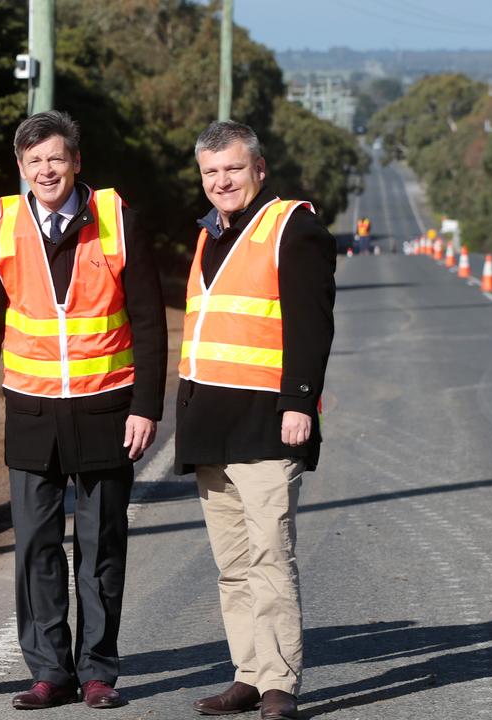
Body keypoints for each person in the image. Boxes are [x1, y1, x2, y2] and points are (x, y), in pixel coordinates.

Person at [0, 110, 167, 711]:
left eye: (56, 158)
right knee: (35, 547)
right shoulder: (3, 222)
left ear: (76, 162)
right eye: (34, 161)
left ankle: (98, 669)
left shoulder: (116, 218)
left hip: (107, 407)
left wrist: (146, 405)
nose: (46, 170)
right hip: (30, 411)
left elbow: (150, 321)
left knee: (102, 547)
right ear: (21, 168)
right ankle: (50, 671)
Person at [178, 120, 335, 720]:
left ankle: (279, 683)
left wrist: (300, 401)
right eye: (211, 173)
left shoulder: (292, 227)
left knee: (270, 558)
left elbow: (311, 324)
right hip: (210, 422)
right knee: (233, 565)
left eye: (233, 170)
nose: (221, 181)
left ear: (259, 171)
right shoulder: (208, 235)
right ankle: (247, 672)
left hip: (266, 423)